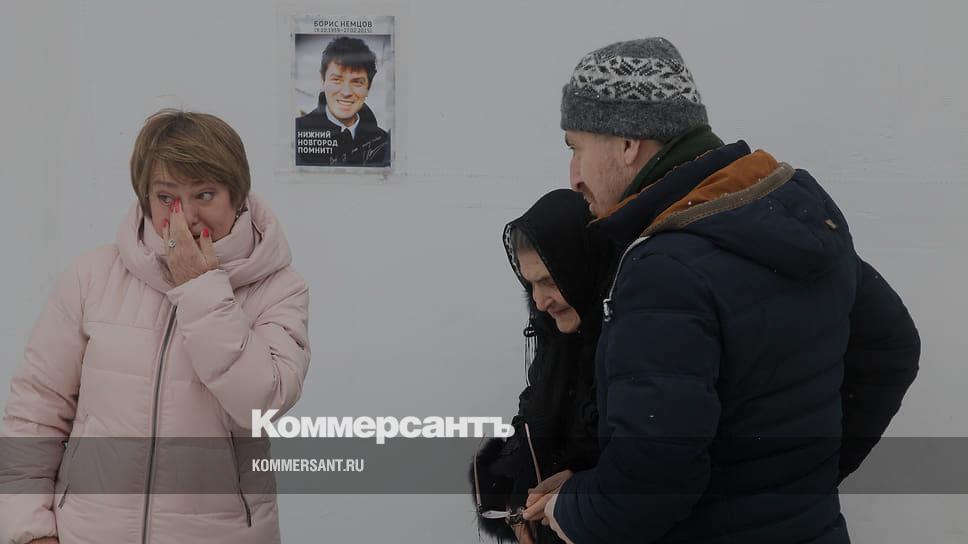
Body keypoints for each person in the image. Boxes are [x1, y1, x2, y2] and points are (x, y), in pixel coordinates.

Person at [521, 38, 921, 543]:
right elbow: (892, 347)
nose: (574, 177)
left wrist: (571, 509)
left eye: (577, 148)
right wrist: (799, 480)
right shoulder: (793, 211)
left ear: (628, 143)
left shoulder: (665, 268)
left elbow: (652, 479)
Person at [0, 109, 311, 544]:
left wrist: (200, 287)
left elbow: (263, 402)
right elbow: (35, 413)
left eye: (205, 194)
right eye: (166, 197)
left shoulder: (278, 288)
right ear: (145, 199)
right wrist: (30, 529)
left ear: (237, 196)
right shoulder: (90, 278)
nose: (185, 216)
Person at [472, 190, 605, 543]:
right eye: (530, 284)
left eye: (549, 280)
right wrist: (516, 504)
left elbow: (649, 468)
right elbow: (531, 426)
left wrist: (574, 495)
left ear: (582, 269)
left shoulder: (631, 344)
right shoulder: (554, 340)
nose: (540, 301)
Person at [295, 36, 390, 167]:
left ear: (369, 87)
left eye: (357, 82)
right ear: (323, 81)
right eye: (336, 80)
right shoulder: (295, 133)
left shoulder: (385, 142)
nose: (346, 92)